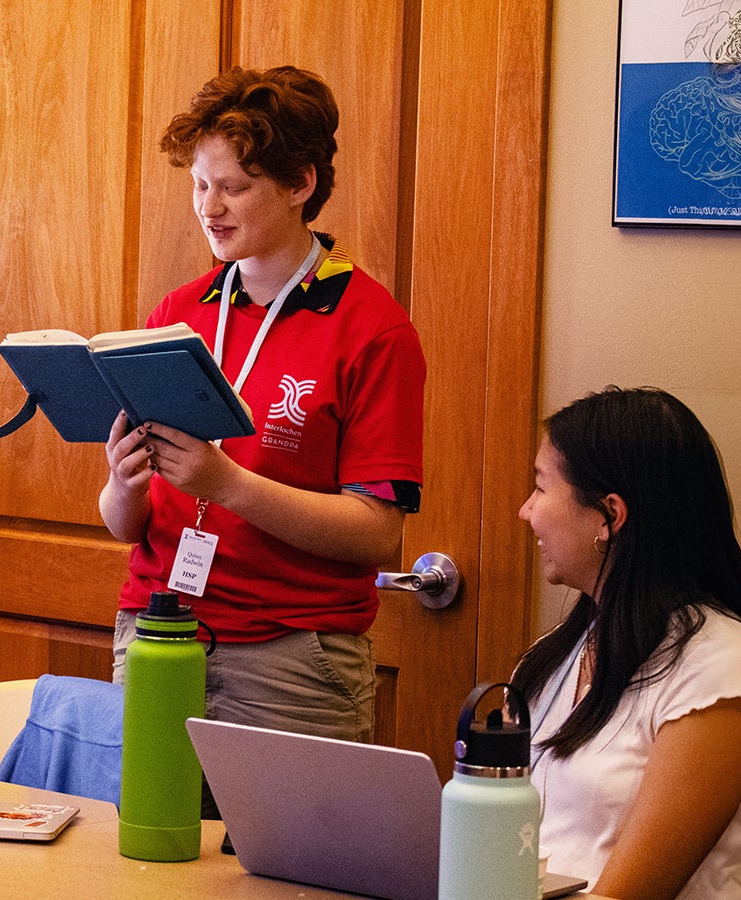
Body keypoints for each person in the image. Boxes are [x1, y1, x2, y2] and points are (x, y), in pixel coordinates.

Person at [100, 66, 426, 751]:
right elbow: (127, 526)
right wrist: (121, 485)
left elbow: (377, 534)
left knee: (281, 863)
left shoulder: (373, 329)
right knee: (144, 854)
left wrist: (228, 486)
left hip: (293, 660)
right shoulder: (179, 314)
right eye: (199, 184)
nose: (208, 207)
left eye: (234, 187)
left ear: (301, 184)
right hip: (158, 632)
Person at [513, 386, 741, 899]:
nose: (526, 511)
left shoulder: (728, 671)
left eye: (540, 488)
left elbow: (627, 895)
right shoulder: (555, 656)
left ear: (610, 516)